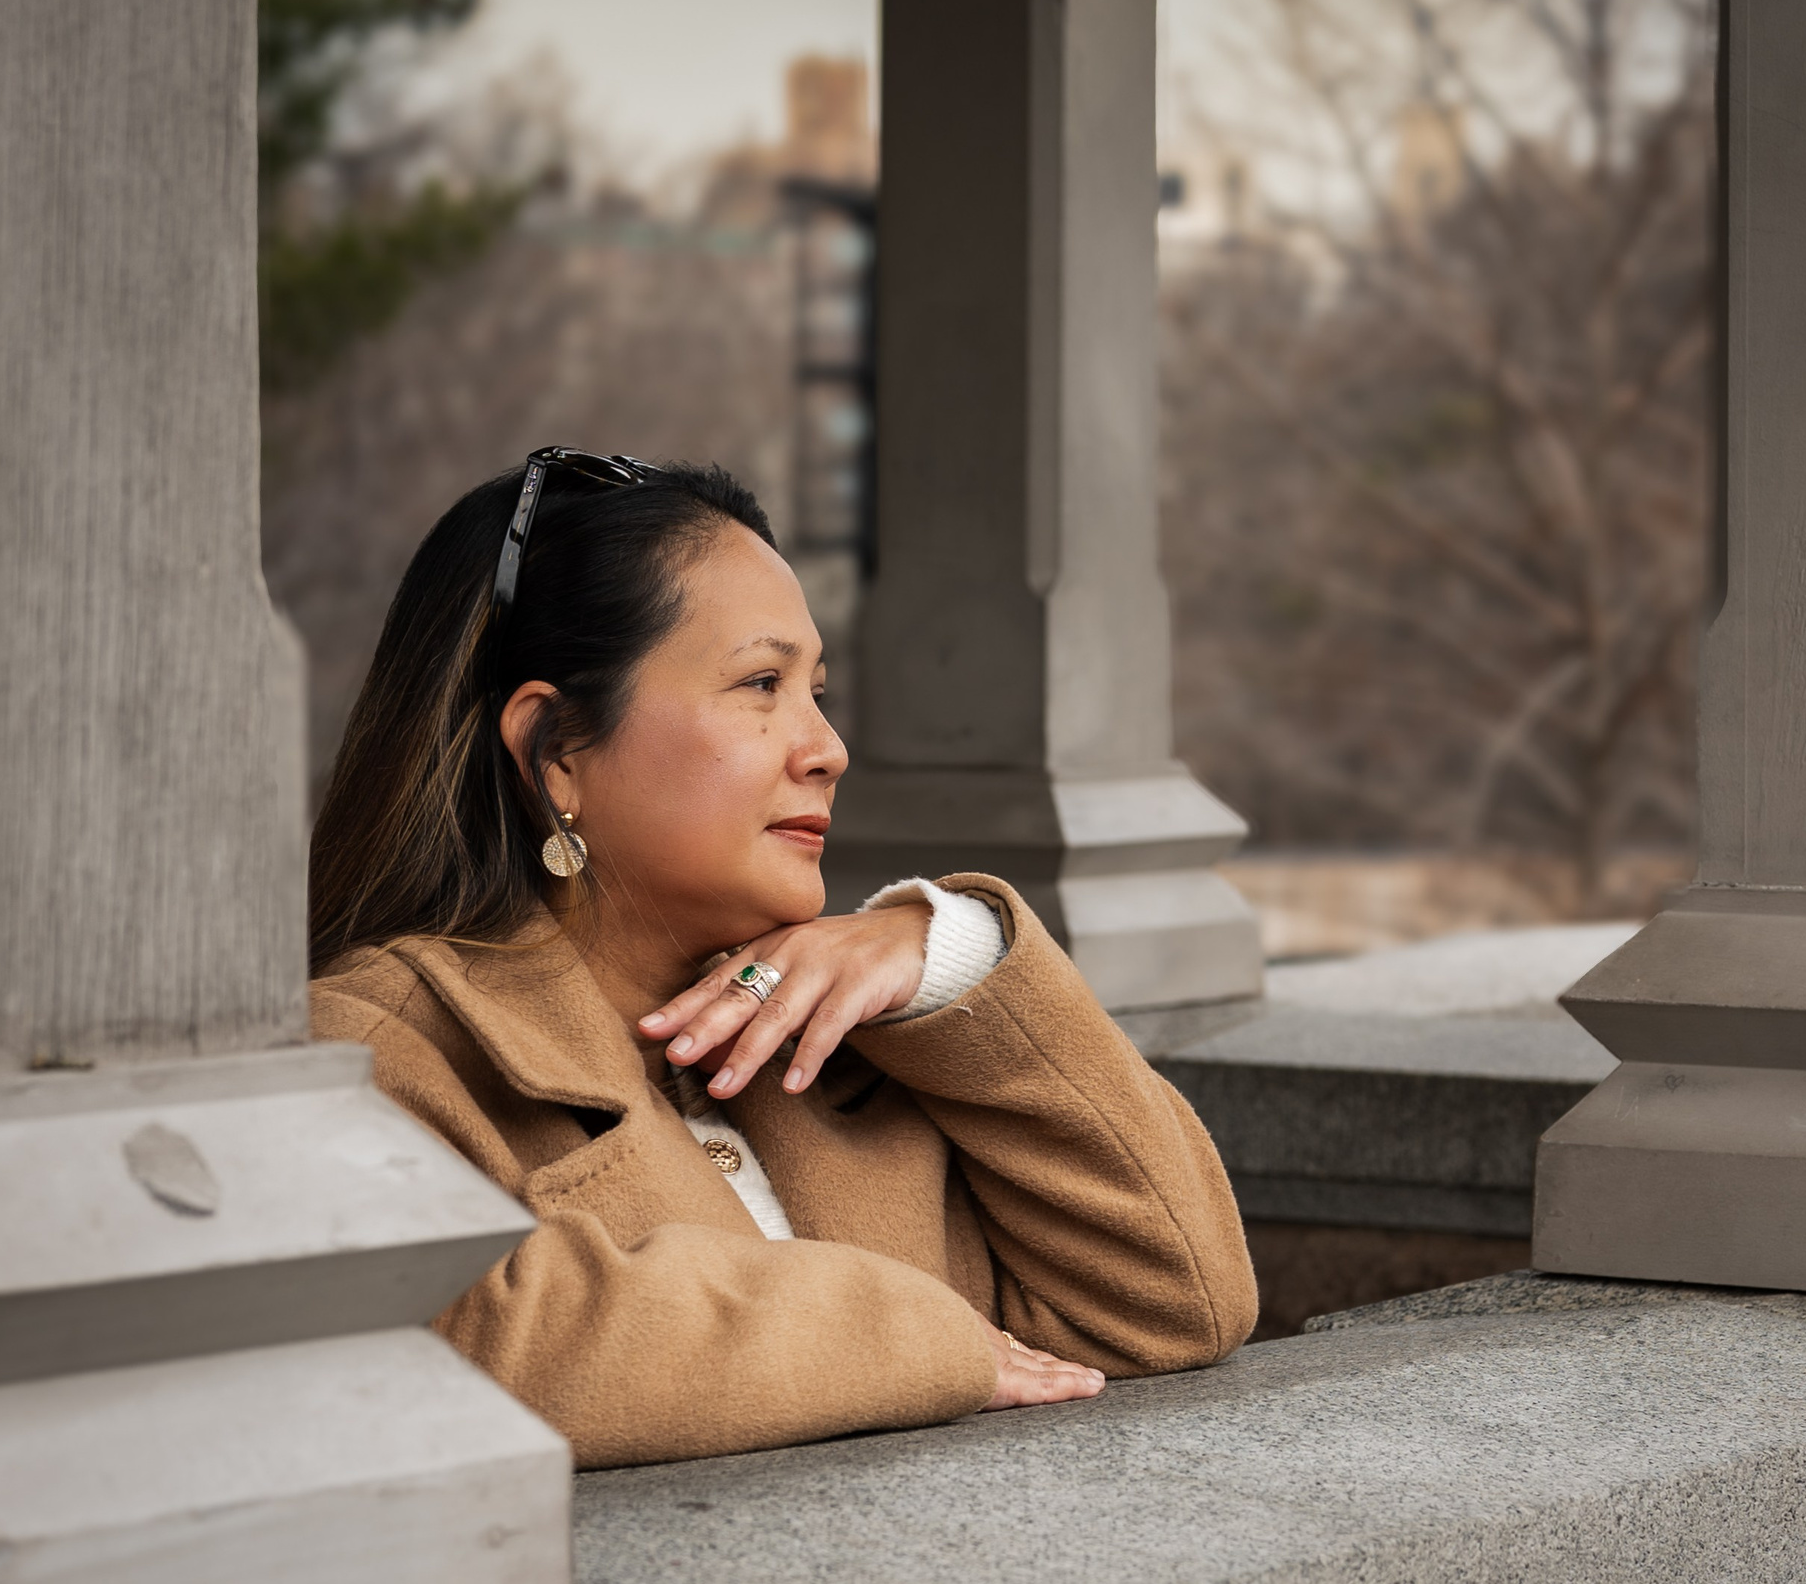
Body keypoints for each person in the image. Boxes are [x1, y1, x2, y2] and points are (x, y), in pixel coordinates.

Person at [307, 450, 1257, 1469]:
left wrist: (950, 955)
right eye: (761, 684)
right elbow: (437, 1342)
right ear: (556, 750)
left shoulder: (854, 1046)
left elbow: (1179, 1298)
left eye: (816, 689)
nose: (828, 747)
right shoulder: (369, 1050)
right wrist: (917, 1341)